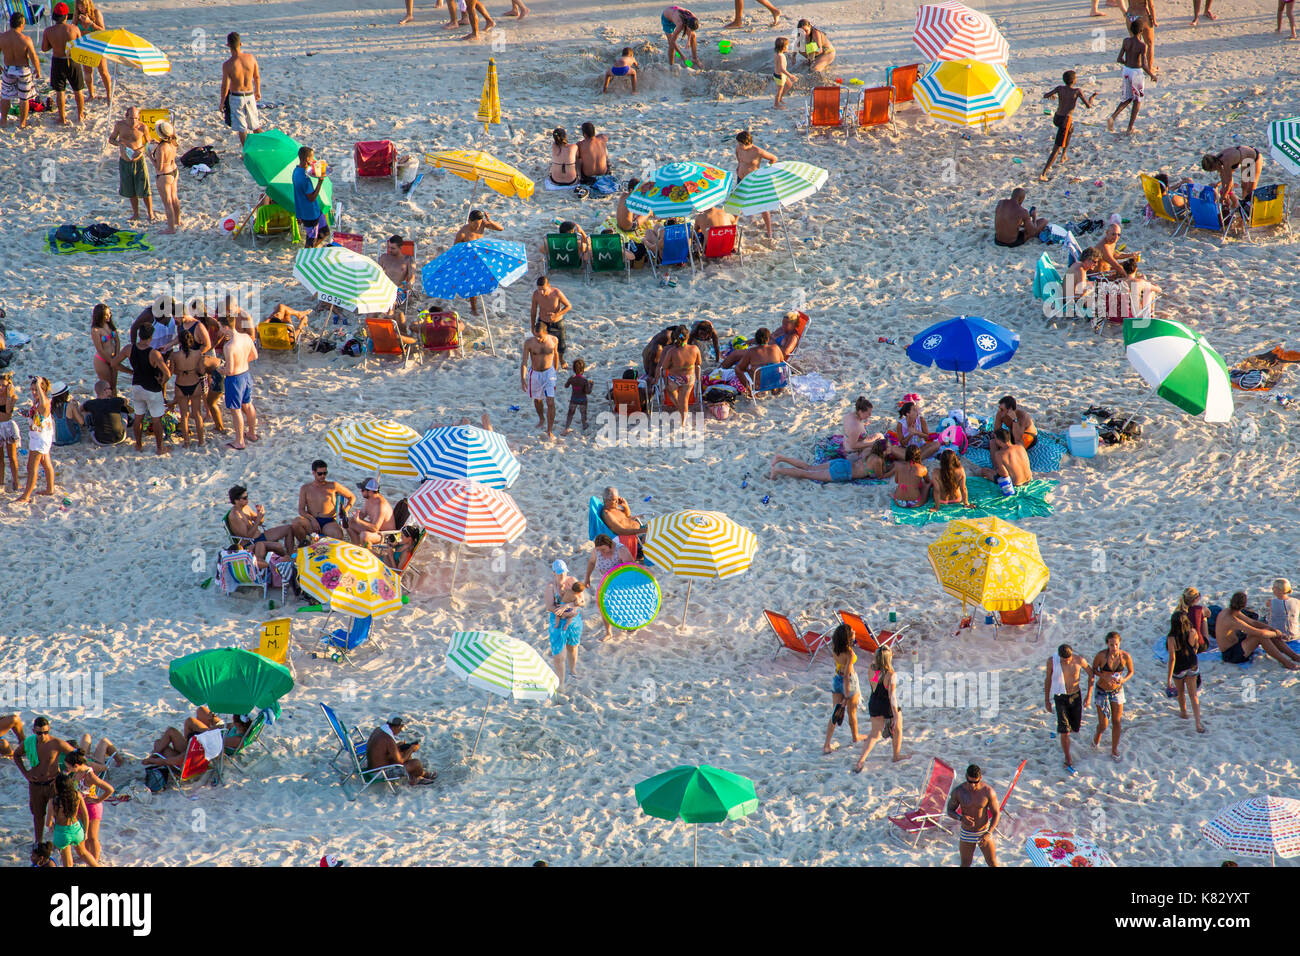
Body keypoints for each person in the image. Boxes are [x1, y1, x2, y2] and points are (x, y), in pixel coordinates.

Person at [11, 715, 75, 847]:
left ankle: (59, 842)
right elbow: (16, 755)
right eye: (39, 733)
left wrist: (68, 773)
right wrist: (26, 774)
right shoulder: (29, 742)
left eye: (46, 732)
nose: (43, 736)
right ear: (34, 731)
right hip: (35, 784)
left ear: (49, 730)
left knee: (59, 813)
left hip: (53, 783)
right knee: (38, 815)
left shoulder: (56, 743)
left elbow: (76, 754)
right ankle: (38, 841)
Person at [1215, 590, 1300, 669]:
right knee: (1261, 637)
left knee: (1266, 629)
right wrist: (1277, 634)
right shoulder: (1232, 620)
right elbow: (1261, 634)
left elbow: (1253, 623)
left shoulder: (1228, 611)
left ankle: (1294, 656)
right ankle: (1286, 662)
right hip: (1231, 655)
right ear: (1244, 606)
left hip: (1237, 644)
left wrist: (1272, 629)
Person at [852, 646, 905, 770]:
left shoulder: (871, 668)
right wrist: (896, 716)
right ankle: (896, 755)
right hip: (886, 704)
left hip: (874, 702)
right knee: (898, 729)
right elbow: (892, 697)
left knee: (874, 734)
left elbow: (876, 679)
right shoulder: (891, 674)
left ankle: (860, 761)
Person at [1039, 71, 1096, 181]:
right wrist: (1092, 97)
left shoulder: (1060, 88)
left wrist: (1052, 96)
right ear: (1074, 81)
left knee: (1071, 129)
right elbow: (1088, 106)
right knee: (1056, 148)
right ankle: (1044, 173)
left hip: (1057, 117)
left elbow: (1046, 95)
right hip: (1066, 120)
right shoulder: (1077, 91)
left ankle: (1064, 155)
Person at [1045, 644, 1093, 773]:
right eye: (1063, 660)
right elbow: (1048, 679)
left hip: (1075, 696)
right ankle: (1068, 757)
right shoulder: (1052, 661)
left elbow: (1091, 674)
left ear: (1072, 654)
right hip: (1060, 697)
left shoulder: (1079, 660)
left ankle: (1065, 739)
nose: (1066, 662)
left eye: (1068, 659)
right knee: (1064, 730)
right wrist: (1047, 700)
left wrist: (1089, 695)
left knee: (1075, 727)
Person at [946, 765, 1001, 866]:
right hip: (967, 833)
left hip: (984, 831)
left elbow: (996, 813)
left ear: (980, 778)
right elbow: (949, 810)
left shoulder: (988, 791)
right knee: (965, 864)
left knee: (992, 863)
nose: (972, 785)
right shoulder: (958, 791)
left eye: (975, 782)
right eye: (969, 781)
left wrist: (989, 832)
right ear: (966, 776)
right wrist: (961, 818)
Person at [219, 312, 259, 450]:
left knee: (236, 410)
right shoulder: (246, 337)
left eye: (220, 327)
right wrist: (241, 362)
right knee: (248, 404)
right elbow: (254, 355)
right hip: (246, 374)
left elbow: (229, 370)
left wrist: (220, 369)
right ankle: (252, 434)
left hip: (235, 379)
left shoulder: (229, 346)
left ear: (226, 327)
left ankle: (240, 441)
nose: (220, 330)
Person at [1091, 631, 1133, 759]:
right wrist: (1104, 675)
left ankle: (1114, 748)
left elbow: (1131, 671)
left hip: (1117, 690)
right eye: (1111, 645)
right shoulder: (1101, 656)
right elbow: (1093, 670)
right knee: (1103, 724)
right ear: (1107, 644)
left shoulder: (1125, 656)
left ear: (1119, 643)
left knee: (1117, 721)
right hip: (1102, 690)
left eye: (1116, 644)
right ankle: (1097, 737)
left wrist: (1123, 680)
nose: (1114, 647)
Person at [65, 750, 112, 863]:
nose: (68, 769)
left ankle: (95, 861)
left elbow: (109, 789)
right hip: (80, 806)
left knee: (92, 837)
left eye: (69, 767)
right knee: (82, 834)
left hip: (91, 808)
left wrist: (98, 799)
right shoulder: (77, 771)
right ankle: (88, 857)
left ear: (76, 765)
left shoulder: (89, 775)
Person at [1107, 19, 1153, 136]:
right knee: (1137, 100)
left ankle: (1113, 117)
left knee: (1127, 98)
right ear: (1141, 31)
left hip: (1126, 70)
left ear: (1131, 30)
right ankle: (1130, 127)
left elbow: (1119, 59)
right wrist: (1152, 75)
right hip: (1137, 73)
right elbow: (1143, 64)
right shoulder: (1142, 45)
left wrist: (1127, 62)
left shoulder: (1126, 41)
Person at [583, 534, 634, 640]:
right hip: (606, 582)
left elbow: (631, 569)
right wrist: (587, 578)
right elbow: (592, 562)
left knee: (624, 604)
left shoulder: (621, 550)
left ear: (609, 544)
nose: (601, 552)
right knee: (603, 607)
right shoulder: (597, 551)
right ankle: (608, 633)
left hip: (622, 583)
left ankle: (630, 623)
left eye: (603, 549)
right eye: (599, 549)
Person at [293, 459, 355, 544]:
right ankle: (304, 545)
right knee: (296, 522)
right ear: (313, 473)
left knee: (338, 535)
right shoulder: (305, 488)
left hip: (328, 520)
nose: (323, 476)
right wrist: (312, 520)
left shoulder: (333, 486)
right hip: (311, 520)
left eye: (325, 473)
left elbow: (352, 497)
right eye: (320, 474)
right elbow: (301, 510)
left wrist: (345, 510)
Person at [108, 106, 154, 222]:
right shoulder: (119, 125)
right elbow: (111, 139)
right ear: (126, 116)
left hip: (139, 161)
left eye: (136, 118)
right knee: (130, 189)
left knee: (144, 189)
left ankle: (150, 213)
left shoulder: (143, 127)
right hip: (125, 161)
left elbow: (149, 143)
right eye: (131, 118)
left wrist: (141, 150)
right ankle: (136, 213)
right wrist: (119, 144)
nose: (133, 121)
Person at [454, 210, 504, 316]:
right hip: (469, 259)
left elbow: (500, 228)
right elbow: (455, 250)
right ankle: (474, 309)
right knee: (474, 284)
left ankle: (496, 304)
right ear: (469, 221)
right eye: (475, 225)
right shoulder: (462, 233)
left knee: (493, 278)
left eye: (479, 224)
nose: (477, 227)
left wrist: (489, 220)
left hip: (481, 255)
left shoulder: (483, 224)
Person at [228, 484, 295, 562]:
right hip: (251, 543)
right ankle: (286, 560)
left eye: (247, 496)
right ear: (236, 501)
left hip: (260, 536)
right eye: (244, 498)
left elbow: (260, 522)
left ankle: (290, 556)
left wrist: (260, 514)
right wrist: (258, 518)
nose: (247, 500)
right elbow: (247, 535)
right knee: (278, 546)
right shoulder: (235, 516)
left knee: (288, 528)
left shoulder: (245, 507)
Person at [41, 3, 83, 125]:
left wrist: (54, 43)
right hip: (72, 60)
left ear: (54, 16)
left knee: (60, 92)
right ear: (66, 16)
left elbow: (44, 48)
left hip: (58, 60)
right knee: (78, 90)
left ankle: (62, 118)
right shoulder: (74, 29)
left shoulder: (48, 31)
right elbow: (80, 46)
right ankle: (80, 116)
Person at [823, 624, 862, 754]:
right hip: (848, 681)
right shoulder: (849, 653)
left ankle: (827, 744)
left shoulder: (835, 647)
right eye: (852, 632)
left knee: (835, 714)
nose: (854, 632)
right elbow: (847, 674)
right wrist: (846, 695)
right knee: (852, 714)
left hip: (836, 679)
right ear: (847, 637)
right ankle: (855, 737)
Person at [1165, 611, 1206, 733]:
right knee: (1193, 695)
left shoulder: (1171, 638)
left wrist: (1168, 679)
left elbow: (1172, 659)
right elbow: (1196, 647)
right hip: (1192, 664)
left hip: (1179, 667)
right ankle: (1198, 723)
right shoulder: (1193, 632)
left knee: (1181, 693)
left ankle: (1184, 713)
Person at [546, 561, 585, 689]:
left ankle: (573, 670)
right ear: (553, 573)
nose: (562, 575)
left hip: (574, 620)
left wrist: (568, 606)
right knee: (558, 655)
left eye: (564, 572)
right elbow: (549, 606)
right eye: (559, 572)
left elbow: (582, 602)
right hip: (558, 620)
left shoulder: (573, 581)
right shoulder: (551, 587)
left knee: (573, 647)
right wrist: (560, 612)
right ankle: (561, 683)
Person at [15, 376, 54, 503]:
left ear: (42, 390)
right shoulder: (37, 401)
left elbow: (43, 405)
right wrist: (27, 413)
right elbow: (37, 417)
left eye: (36, 390)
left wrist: (38, 385)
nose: (33, 392)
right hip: (40, 436)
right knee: (46, 463)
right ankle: (50, 488)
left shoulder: (44, 401)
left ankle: (26, 496)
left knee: (31, 467)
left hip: (40, 439)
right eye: (32, 389)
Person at [365, 717, 437, 784]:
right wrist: (411, 749)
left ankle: (415, 776)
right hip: (380, 773)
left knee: (403, 748)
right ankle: (421, 775)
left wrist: (397, 746)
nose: (400, 730)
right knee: (416, 763)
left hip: (373, 767)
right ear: (397, 727)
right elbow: (400, 761)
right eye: (400, 728)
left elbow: (383, 749)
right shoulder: (388, 739)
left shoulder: (379, 730)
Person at [0, 11, 40, 130]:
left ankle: (3, 120)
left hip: (8, 69)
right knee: (24, 98)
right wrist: (38, 70)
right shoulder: (26, 39)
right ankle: (22, 123)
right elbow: (34, 57)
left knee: (6, 96)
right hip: (23, 70)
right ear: (22, 24)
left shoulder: (2, 37)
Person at [48, 773, 99, 867]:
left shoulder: (53, 801)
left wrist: (52, 828)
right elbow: (85, 815)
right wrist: (86, 831)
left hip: (62, 832)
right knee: (84, 853)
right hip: (77, 829)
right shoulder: (77, 795)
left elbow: (48, 823)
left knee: (68, 863)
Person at [220, 32, 261, 147]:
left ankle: (246, 152)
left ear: (228, 45)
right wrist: (258, 91)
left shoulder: (227, 64)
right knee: (255, 125)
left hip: (236, 97)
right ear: (240, 44)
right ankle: (265, 146)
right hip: (250, 94)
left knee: (242, 128)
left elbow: (225, 86)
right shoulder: (251, 58)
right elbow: (256, 76)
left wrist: (222, 102)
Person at [521, 320, 560, 441]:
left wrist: (555, 370)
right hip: (535, 374)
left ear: (545, 332)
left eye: (540, 336)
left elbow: (556, 355)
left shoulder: (553, 340)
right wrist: (523, 379)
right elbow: (524, 362)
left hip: (549, 373)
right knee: (537, 400)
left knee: (550, 402)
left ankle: (549, 430)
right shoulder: (529, 343)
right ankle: (541, 418)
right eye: (536, 336)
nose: (538, 339)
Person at [735, 130, 778, 238]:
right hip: (741, 178)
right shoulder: (738, 148)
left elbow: (774, 158)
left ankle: (769, 232)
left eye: (741, 144)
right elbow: (738, 156)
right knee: (737, 203)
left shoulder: (758, 151)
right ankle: (733, 227)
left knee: (762, 205)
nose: (739, 146)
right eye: (738, 144)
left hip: (753, 181)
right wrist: (739, 165)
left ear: (747, 143)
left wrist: (765, 170)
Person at [658, 324, 701, 426]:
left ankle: (679, 407)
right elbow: (698, 364)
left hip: (674, 378)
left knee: (670, 391)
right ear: (688, 336)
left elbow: (664, 367)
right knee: (685, 400)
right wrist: (698, 378)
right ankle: (683, 421)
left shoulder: (672, 351)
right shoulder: (695, 349)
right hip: (689, 378)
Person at [170, 327, 207, 447]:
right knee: (197, 414)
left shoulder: (174, 355)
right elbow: (202, 370)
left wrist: (182, 371)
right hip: (194, 384)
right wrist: (193, 369)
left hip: (181, 385)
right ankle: (201, 441)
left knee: (184, 415)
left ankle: (186, 443)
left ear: (180, 342)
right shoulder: (197, 354)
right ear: (191, 341)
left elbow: (173, 372)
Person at [530, 276, 572, 370]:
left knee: (561, 345)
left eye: (544, 289)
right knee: (542, 343)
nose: (542, 292)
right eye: (539, 289)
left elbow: (569, 306)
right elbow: (533, 311)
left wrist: (557, 314)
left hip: (557, 322)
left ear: (549, 286)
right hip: (543, 322)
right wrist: (532, 326)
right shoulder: (536, 294)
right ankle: (546, 361)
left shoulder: (556, 293)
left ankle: (561, 359)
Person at [291, 146, 330, 247]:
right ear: (307, 159)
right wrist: (320, 183)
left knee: (325, 232)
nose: (314, 160)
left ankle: (312, 250)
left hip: (311, 210)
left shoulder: (296, 171)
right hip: (310, 213)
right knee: (310, 241)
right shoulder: (305, 179)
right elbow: (312, 198)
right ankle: (308, 254)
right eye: (312, 158)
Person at [724, 327, 782, 394]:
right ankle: (773, 389)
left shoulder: (751, 351)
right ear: (768, 339)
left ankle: (750, 391)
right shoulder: (776, 348)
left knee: (738, 369)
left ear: (756, 340)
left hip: (759, 385)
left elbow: (739, 368)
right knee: (771, 366)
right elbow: (781, 361)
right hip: (775, 381)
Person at [149, 120, 181, 234]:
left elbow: (159, 167)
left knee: (167, 203)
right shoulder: (173, 142)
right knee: (174, 198)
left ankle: (171, 228)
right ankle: (177, 221)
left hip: (164, 175)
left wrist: (150, 156)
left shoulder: (162, 148)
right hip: (174, 171)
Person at [72, 0, 108, 100]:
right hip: (85, 46)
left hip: (97, 46)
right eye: (80, 6)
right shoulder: (77, 16)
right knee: (87, 72)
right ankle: (91, 94)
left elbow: (102, 30)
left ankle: (109, 95)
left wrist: (90, 23)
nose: (82, 8)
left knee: (103, 72)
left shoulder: (96, 13)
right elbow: (72, 30)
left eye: (84, 6)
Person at [347, 477, 396, 549]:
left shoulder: (381, 505)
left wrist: (358, 521)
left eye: (363, 490)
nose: (361, 491)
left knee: (364, 535)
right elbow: (362, 514)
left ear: (370, 491)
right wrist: (350, 518)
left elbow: (375, 528)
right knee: (348, 523)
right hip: (375, 531)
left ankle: (369, 554)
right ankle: (357, 548)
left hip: (385, 535)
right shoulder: (369, 500)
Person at [377, 235, 414, 328]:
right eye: (389, 247)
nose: (389, 250)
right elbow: (377, 274)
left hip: (398, 290)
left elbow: (412, 276)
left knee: (390, 305)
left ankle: (388, 329)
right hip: (383, 288)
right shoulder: (384, 257)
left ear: (400, 248)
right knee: (371, 312)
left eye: (393, 248)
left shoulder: (408, 259)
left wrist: (410, 283)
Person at [81, 380, 130, 446]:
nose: (111, 390)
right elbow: (126, 401)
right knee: (123, 410)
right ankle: (129, 423)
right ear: (105, 390)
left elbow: (81, 409)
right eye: (110, 388)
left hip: (99, 440)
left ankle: (90, 428)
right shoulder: (116, 400)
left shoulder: (91, 403)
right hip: (120, 438)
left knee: (87, 414)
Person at [90, 303, 121, 391]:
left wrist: (117, 356)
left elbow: (117, 341)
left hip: (114, 358)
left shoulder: (110, 325)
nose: (109, 316)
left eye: (109, 314)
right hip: (102, 360)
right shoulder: (95, 330)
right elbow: (99, 349)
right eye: (106, 315)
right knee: (107, 388)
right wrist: (111, 361)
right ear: (100, 316)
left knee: (114, 386)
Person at [0, 372, 19, 491]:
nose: (1, 388)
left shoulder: (12, 397)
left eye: (4, 385)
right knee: (0, 458)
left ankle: (16, 481)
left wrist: (8, 394)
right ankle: (1, 482)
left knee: (12, 457)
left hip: (8, 427)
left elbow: (7, 411)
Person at [563, 358, 592, 435]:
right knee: (583, 413)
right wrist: (591, 385)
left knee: (570, 414)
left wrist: (570, 382)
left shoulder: (572, 378)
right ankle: (584, 425)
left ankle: (567, 427)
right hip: (582, 399)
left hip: (574, 399)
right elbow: (587, 392)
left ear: (573, 369)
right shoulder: (584, 380)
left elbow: (566, 386)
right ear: (583, 369)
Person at [1269, 577, 1300, 642]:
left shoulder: (1271, 602)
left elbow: (1271, 619)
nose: (1272, 589)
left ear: (1279, 590)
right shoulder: (1297, 601)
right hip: (1295, 635)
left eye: (1273, 588)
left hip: (1278, 635)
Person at [772, 36, 796, 110]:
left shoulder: (776, 53)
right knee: (779, 91)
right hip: (780, 76)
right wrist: (790, 75)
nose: (788, 47)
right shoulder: (781, 56)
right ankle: (776, 104)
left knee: (789, 85)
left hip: (779, 75)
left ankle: (780, 98)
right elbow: (782, 69)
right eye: (787, 46)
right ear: (783, 47)